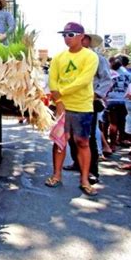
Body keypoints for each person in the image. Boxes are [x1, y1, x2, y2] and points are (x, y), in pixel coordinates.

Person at [46, 22, 99, 196]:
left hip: (82, 106)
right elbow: (52, 80)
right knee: (60, 142)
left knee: (82, 142)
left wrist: (60, 92)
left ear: (81, 36)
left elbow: (83, 80)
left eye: (70, 35)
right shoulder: (58, 57)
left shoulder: (90, 57)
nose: (66, 38)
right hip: (61, 105)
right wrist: (58, 100)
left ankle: (84, 179)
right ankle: (56, 175)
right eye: (64, 35)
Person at [64, 33, 112, 184]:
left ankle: (92, 171)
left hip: (88, 102)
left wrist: (95, 95)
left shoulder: (97, 59)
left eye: (82, 38)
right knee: (70, 135)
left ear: (87, 41)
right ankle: (77, 162)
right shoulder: (69, 57)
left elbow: (106, 80)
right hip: (70, 100)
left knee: (86, 137)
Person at [105, 55, 131, 151]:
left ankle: (112, 145)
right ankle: (121, 139)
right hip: (125, 100)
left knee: (113, 123)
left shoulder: (110, 73)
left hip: (111, 100)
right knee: (122, 122)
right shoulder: (129, 74)